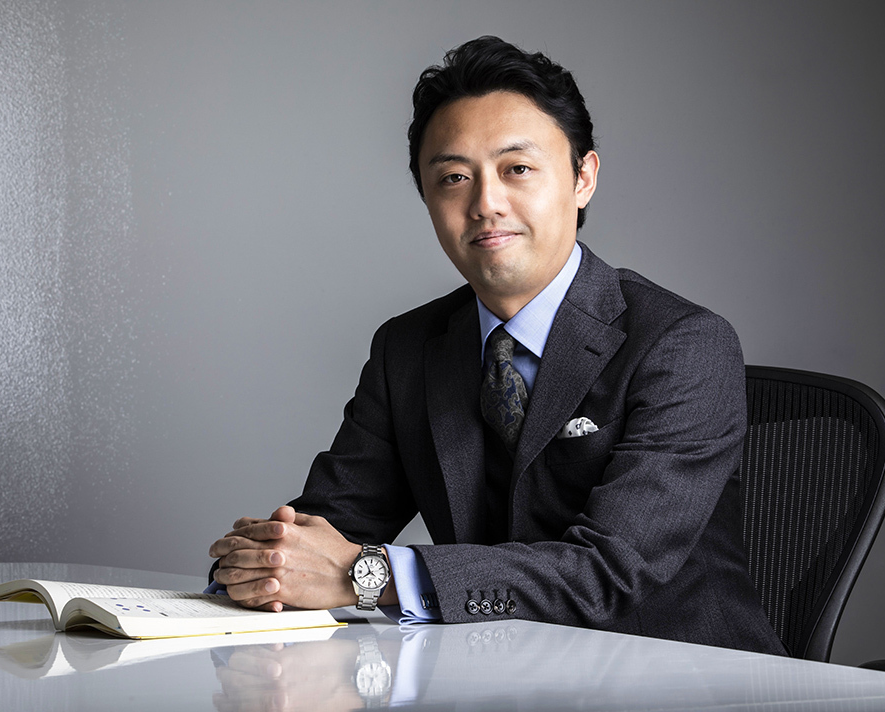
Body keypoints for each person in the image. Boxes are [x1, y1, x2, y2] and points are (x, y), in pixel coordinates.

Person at [208, 36, 786, 655]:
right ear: (428, 198)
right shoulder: (408, 348)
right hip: (483, 676)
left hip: (676, 681)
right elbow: (327, 527)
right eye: (454, 177)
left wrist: (364, 575)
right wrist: (265, 562)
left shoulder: (682, 345)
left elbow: (607, 573)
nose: (485, 204)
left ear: (582, 178)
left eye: (518, 169)